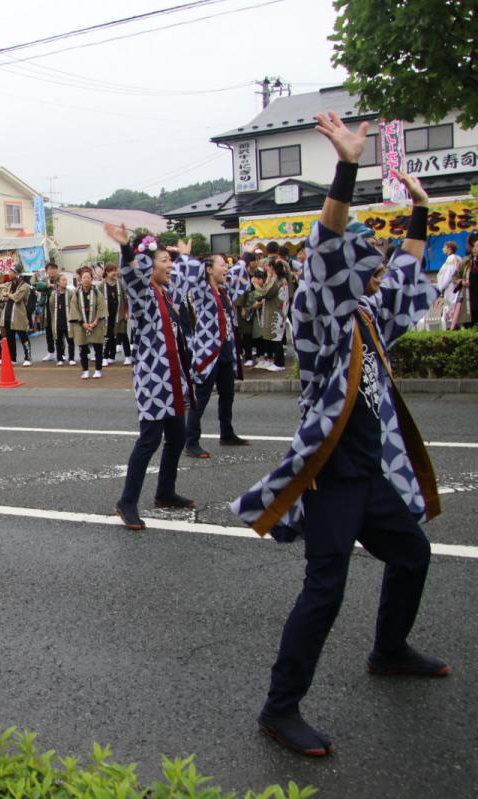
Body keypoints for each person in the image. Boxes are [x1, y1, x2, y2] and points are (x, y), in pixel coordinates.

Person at [233, 114, 447, 758]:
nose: (377, 275)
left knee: (412, 555)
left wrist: (422, 215)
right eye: (366, 267)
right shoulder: (319, 316)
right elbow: (324, 250)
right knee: (325, 590)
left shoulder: (364, 316)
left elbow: (409, 285)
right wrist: (349, 167)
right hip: (330, 476)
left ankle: (388, 650)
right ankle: (279, 709)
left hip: (369, 476)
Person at [104, 226, 197, 531]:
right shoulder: (144, 295)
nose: (169, 266)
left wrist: (183, 257)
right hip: (153, 381)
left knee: (178, 436)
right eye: (164, 261)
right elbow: (131, 277)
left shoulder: (166, 294)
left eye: (170, 262)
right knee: (150, 439)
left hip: (173, 378)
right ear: (150, 265)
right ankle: (126, 502)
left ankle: (165, 492)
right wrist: (128, 248)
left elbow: (185, 281)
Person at [182, 254, 251, 458]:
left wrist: (243, 259)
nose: (226, 269)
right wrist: (186, 257)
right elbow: (192, 276)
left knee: (227, 395)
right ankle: (191, 441)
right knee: (200, 398)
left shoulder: (224, 290)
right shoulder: (202, 290)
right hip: (208, 352)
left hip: (226, 349)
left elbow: (241, 282)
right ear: (209, 270)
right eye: (222, 265)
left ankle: (227, 433)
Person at [69, 267, 107, 379]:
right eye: (84, 277)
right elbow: (73, 309)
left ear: (92, 279)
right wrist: (83, 324)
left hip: (96, 324)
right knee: (83, 350)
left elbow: (101, 307)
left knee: (98, 348)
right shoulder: (76, 293)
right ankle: (85, 370)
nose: (86, 279)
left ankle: (98, 370)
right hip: (81, 325)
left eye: (88, 277)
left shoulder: (96, 292)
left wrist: (94, 323)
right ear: (80, 279)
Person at [0, 268, 32, 366]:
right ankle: (13, 358)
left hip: (19, 315)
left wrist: (8, 295)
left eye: (10, 272)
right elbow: (2, 297)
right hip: (7, 314)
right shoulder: (9, 284)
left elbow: (17, 298)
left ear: (16, 273)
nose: (8, 273)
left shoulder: (25, 286)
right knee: (10, 338)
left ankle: (28, 358)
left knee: (23, 337)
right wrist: (9, 295)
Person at [102, 263, 131, 366]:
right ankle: (107, 356)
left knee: (123, 334)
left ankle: (128, 356)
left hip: (120, 312)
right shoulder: (102, 285)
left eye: (115, 270)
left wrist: (126, 312)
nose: (114, 272)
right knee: (108, 336)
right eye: (111, 270)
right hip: (107, 315)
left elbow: (125, 299)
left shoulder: (120, 283)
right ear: (106, 272)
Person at [34, 262, 60, 362]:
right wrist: (48, 285)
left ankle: (60, 352)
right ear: (47, 271)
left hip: (59, 308)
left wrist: (54, 285)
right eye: (50, 269)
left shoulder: (60, 278)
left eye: (54, 268)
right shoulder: (45, 279)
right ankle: (51, 352)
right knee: (48, 330)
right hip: (47, 308)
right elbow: (37, 285)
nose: (52, 270)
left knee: (59, 331)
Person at [52, 272, 75, 366]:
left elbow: (73, 306)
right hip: (58, 320)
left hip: (68, 320)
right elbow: (51, 306)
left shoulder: (70, 292)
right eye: (63, 280)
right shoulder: (54, 294)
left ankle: (71, 358)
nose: (65, 282)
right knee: (58, 341)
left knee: (70, 340)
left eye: (66, 280)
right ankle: (59, 358)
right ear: (58, 282)